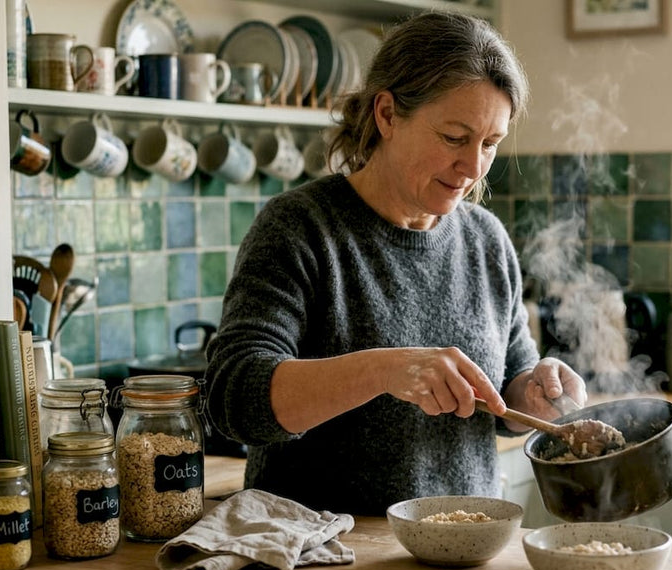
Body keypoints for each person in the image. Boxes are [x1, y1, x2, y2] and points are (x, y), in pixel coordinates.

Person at [203, 11, 587, 516]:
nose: (473, 168)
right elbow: (235, 398)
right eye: (454, 137)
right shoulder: (300, 228)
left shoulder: (486, 239)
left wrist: (535, 394)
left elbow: (506, 388)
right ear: (386, 114)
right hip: (318, 559)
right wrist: (385, 369)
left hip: (462, 549)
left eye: (490, 144)